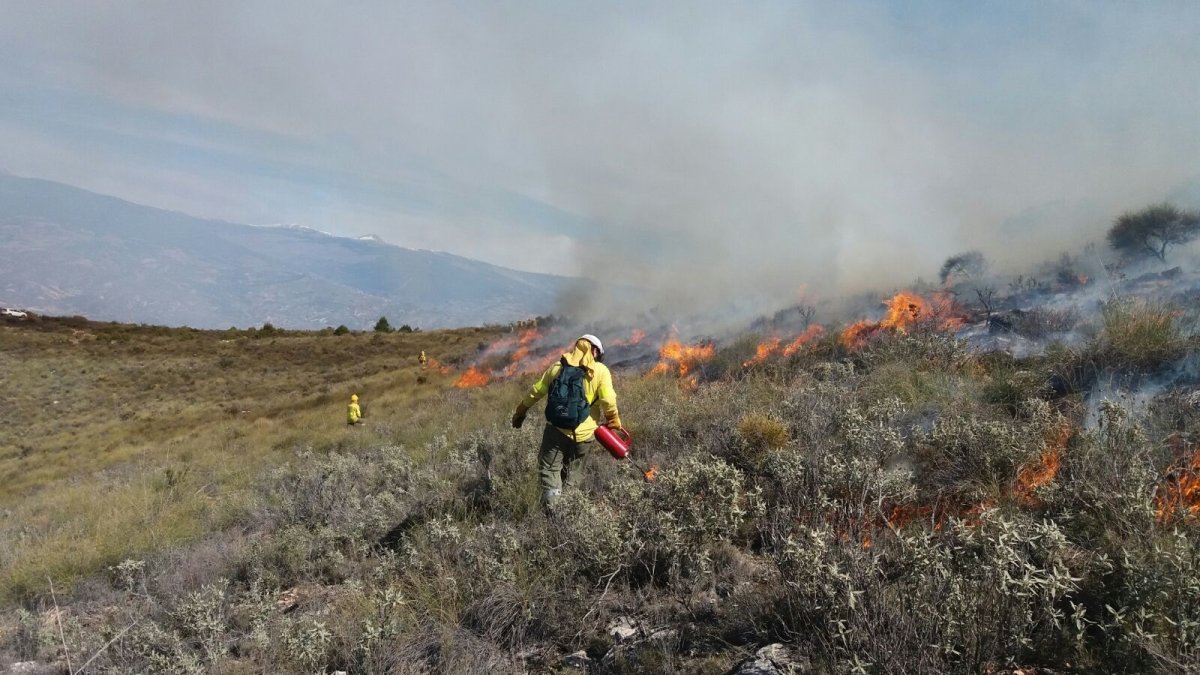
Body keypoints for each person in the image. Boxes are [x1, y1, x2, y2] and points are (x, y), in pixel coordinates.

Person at [511, 334, 622, 510]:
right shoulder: (600, 371)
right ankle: (569, 509)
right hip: (585, 436)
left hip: (556, 432)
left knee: (549, 469)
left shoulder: (557, 368)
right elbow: (608, 400)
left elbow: (536, 391)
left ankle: (554, 510)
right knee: (574, 473)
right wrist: (613, 420)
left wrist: (521, 412)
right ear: (594, 351)